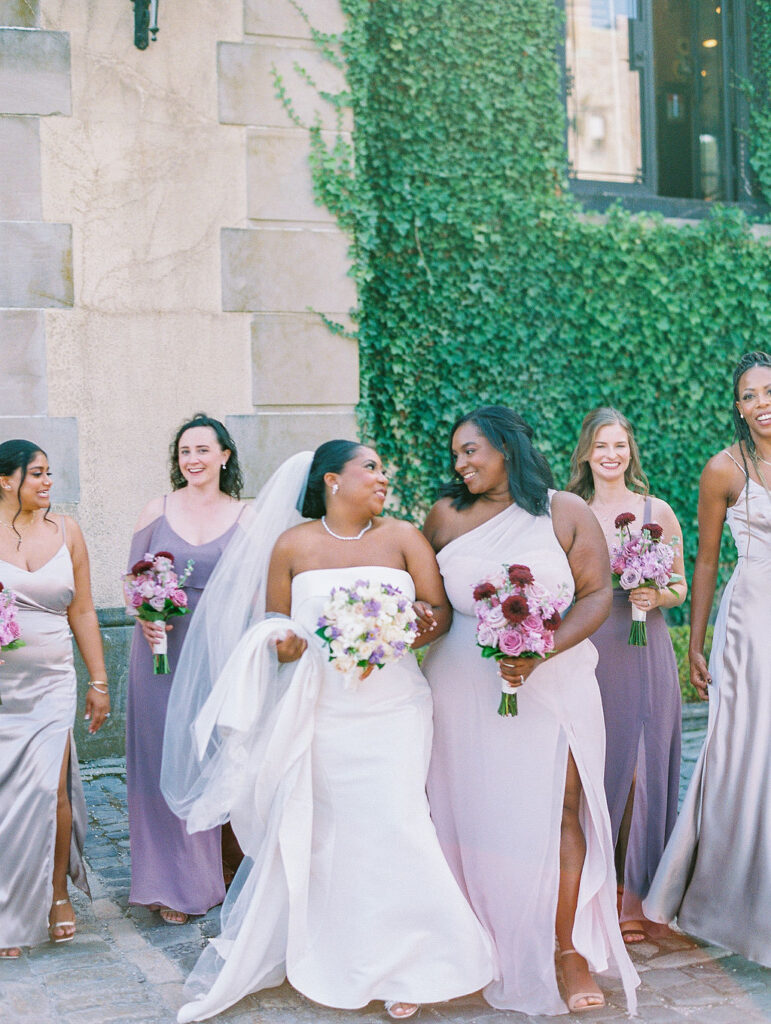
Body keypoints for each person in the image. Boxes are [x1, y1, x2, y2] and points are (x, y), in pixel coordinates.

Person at [161, 441, 496, 1023]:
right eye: (370, 468)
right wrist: (285, 645)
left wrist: (389, 639)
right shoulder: (292, 546)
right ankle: (336, 950)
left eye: (383, 469)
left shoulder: (402, 537)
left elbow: (437, 613)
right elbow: (277, 631)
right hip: (324, 712)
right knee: (332, 829)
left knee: (396, 820)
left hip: (393, 707)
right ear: (332, 481)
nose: (382, 477)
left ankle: (411, 961)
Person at [422, 406, 639, 1015]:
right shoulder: (444, 517)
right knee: (473, 812)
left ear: (507, 448)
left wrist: (542, 649)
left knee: (558, 807)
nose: (461, 463)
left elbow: (596, 594)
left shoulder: (564, 511)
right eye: (457, 453)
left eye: (472, 451)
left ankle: (564, 949)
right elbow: (431, 604)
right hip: (464, 690)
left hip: (557, 682)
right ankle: (477, 945)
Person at [643, 352, 771, 967]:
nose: (762, 402)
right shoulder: (722, 469)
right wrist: (695, 641)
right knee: (742, 748)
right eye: (750, 395)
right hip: (751, 622)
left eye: (769, 390)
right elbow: (706, 561)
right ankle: (726, 897)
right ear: (738, 407)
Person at [566, 408, 687, 944]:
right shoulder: (571, 512)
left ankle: (634, 896)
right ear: (586, 453)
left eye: (619, 445)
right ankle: (592, 891)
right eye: (601, 445)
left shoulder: (654, 509)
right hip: (592, 646)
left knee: (642, 768)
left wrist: (655, 594)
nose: (611, 454)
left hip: (645, 645)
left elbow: (680, 584)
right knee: (596, 762)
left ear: (630, 450)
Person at [125, 414, 246, 925]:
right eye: (184, 452)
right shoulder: (157, 510)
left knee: (206, 756)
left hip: (218, 648)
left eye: (202, 450)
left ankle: (205, 879)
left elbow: (255, 592)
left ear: (224, 456)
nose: (192, 460)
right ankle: (163, 882)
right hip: (161, 648)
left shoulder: (247, 516)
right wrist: (144, 620)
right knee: (157, 761)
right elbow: (133, 585)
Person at [0, 439, 110, 958]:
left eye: (49, 472)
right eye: (36, 474)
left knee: (53, 790)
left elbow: (83, 611)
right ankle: (7, 904)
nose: (47, 482)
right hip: (2, 688)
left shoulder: (69, 532)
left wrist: (98, 680)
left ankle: (56, 892)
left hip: (52, 682)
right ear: (5, 480)